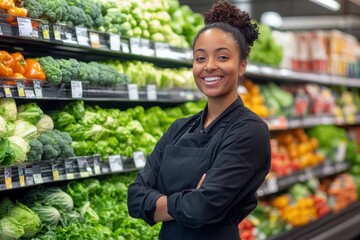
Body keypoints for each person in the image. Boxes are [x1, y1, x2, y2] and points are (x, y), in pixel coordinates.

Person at [127, 1, 271, 239]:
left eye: (222, 57)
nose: (209, 66)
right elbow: (134, 197)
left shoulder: (250, 131)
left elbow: (201, 209)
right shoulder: (179, 128)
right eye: (200, 58)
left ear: (242, 65)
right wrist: (189, 197)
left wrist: (160, 201)